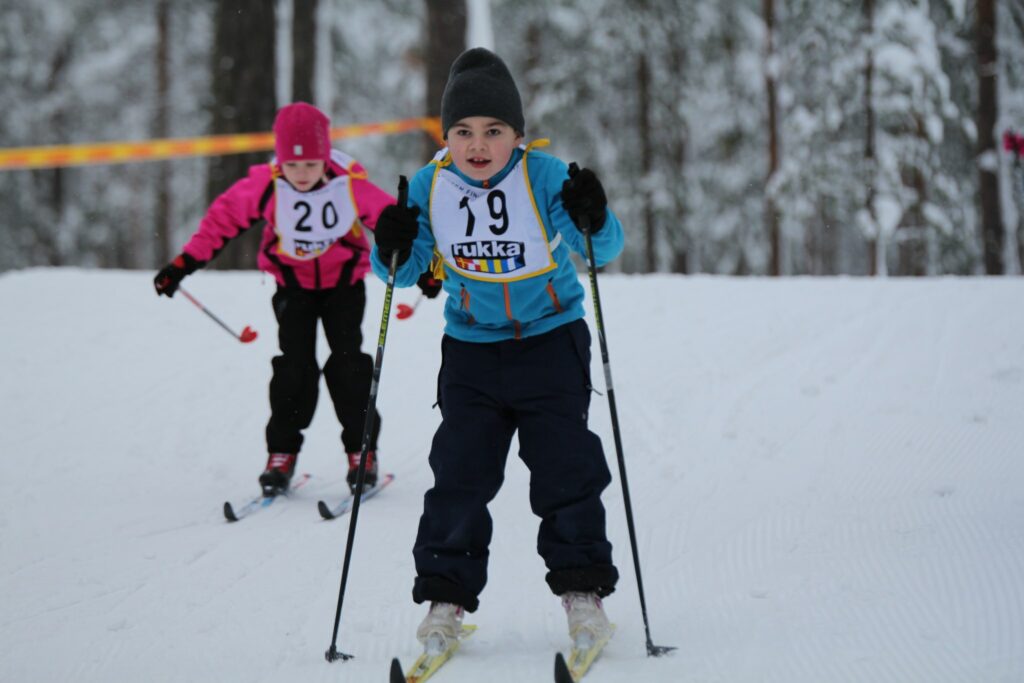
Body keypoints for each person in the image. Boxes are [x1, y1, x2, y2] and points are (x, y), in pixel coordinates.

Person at [370, 48, 624, 653]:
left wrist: (594, 213)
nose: (477, 145)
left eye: (492, 131)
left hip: (551, 342)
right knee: (459, 476)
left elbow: (602, 248)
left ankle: (583, 594)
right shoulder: (432, 185)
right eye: (463, 132)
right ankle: (445, 600)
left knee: (566, 470)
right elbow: (401, 276)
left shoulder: (543, 175)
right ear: (446, 137)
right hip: (472, 354)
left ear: (517, 134)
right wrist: (391, 243)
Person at [154, 102, 439, 496]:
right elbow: (222, 221)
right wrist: (182, 265)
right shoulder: (265, 186)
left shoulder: (348, 184)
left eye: (310, 165)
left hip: (343, 287)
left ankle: (362, 451)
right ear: (280, 161)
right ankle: (281, 453)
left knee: (348, 366)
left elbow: (390, 224)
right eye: (292, 166)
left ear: (325, 159)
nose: (301, 175)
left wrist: (425, 271)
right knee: (294, 369)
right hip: (293, 289)